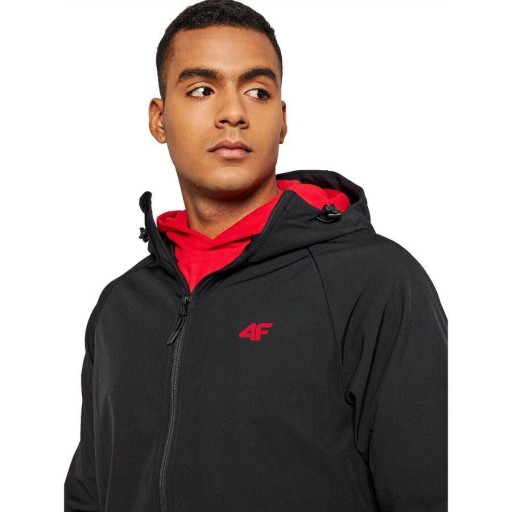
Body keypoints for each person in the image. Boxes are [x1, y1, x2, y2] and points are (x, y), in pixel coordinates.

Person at [64, 0, 447, 511]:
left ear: (282, 120)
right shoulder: (121, 307)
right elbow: (90, 493)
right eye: (202, 90)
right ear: (159, 119)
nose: (233, 113)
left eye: (257, 92)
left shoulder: (375, 283)